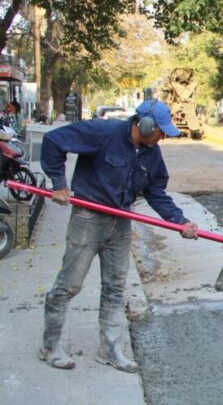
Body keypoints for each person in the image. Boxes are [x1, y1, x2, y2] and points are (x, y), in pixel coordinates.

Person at [38, 99, 199, 373]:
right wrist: (59, 185)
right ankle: (51, 346)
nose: (162, 136)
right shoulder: (103, 132)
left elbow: (156, 192)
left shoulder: (152, 154)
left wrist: (180, 221)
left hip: (122, 223)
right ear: (145, 124)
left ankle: (110, 349)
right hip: (88, 219)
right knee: (69, 285)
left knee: (114, 288)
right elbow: (53, 141)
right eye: (160, 130)